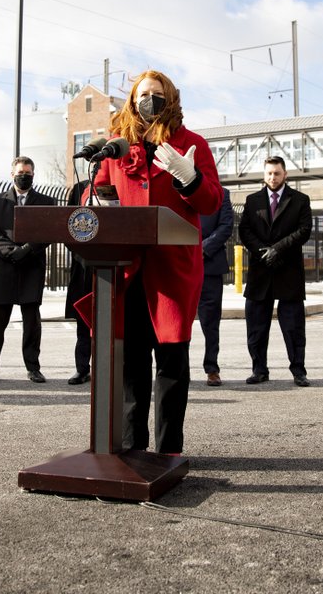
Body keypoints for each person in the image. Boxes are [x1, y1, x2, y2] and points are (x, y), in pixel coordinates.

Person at [81, 70, 222, 455]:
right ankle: (131, 448)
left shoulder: (191, 143)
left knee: (172, 362)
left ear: (170, 98)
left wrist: (188, 177)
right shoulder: (117, 145)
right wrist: (94, 204)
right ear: (132, 99)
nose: (149, 100)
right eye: (143, 94)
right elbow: (98, 192)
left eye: (157, 94)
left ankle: (169, 451)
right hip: (126, 271)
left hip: (171, 270)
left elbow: (211, 202)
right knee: (132, 364)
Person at [0, 156, 56, 384]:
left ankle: (33, 368)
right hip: (3, 268)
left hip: (31, 267)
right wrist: (12, 251)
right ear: (12, 174)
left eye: (29, 173)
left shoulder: (46, 202)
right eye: (21, 172)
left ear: (33, 175)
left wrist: (27, 249)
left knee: (31, 323)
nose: (25, 176)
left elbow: (49, 231)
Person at [238, 156, 313, 387]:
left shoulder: (300, 200)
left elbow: (304, 230)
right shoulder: (252, 201)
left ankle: (298, 371)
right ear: (264, 175)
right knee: (257, 327)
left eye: (277, 173)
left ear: (285, 174)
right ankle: (259, 370)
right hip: (260, 272)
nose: (273, 177)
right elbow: (245, 231)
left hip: (288, 270)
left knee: (293, 328)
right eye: (269, 173)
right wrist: (263, 252)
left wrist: (278, 250)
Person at [196, 186, 233, 386]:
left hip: (210, 265)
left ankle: (212, 368)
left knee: (210, 322)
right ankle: (177, 369)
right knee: (177, 321)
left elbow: (226, 226)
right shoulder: (175, 188)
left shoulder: (222, 193)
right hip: (181, 264)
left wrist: (202, 249)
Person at [64, 179, 93, 385]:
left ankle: (115, 368)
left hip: (114, 262)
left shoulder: (119, 182)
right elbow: (67, 225)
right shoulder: (80, 188)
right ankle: (82, 369)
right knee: (83, 321)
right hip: (84, 265)